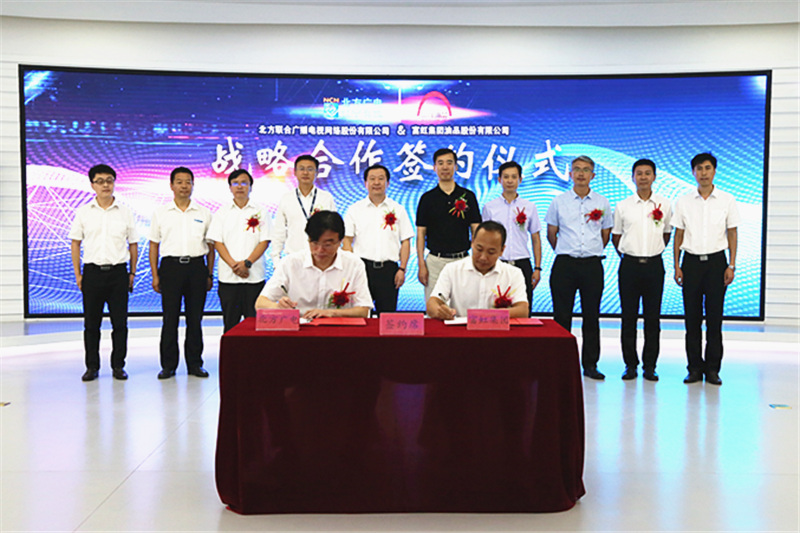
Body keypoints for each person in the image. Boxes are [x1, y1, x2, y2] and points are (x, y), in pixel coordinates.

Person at [673, 152, 740, 386]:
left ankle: (712, 369)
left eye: (708, 168)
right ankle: (694, 368)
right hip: (690, 263)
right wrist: (677, 265)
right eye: (699, 168)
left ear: (714, 171)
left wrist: (731, 264)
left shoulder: (727, 200)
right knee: (691, 320)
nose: (703, 173)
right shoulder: (683, 201)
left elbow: (732, 233)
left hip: (716, 264)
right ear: (693, 172)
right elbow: (678, 234)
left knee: (714, 319)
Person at [545, 155, 613, 380]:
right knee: (561, 316)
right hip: (565, 264)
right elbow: (552, 234)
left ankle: (590, 364)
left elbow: (605, 234)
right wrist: (567, 250)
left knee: (591, 316)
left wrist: (590, 250)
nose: (581, 173)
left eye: (585, 170)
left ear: (593, 175)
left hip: (592, 265)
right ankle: (560, 364)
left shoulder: (602, 202)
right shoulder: (559, 201)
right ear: (570, 174)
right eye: (576, 169)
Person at [69, 164, 138, 382]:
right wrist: (78, 275)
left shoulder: (125, 212)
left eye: (109, 180)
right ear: (92, 185)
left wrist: (132, 273)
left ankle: (118, 366)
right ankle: (92, 367)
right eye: (100, 181)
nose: (105, 185)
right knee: (91, 325)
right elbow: (75, 243)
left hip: (118, 274)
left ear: (114, 183)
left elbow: (133, 244)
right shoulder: (83, 212)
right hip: (92, 273)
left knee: (120, 324)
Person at [149, 167, 214, 379]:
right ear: (171, 185)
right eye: (179, 182)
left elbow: (211, 247)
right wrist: (155, 275)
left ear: (193, 185)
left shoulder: (204, 213)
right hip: (171, 268)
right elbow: (154, 245)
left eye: (188, 182)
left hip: (197, 268)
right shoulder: (161, 213)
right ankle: (168, 365)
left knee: (195, 319)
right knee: (170, 319)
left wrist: (209, 274)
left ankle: (195, 364)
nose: (184, 186)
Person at [611, 159, 672, 382]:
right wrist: (630, 254)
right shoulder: (623, 205)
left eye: (647, 173)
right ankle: (630, 365)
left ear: (654, 176)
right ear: (633, 177)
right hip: (629, 266)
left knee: (652, 318)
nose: (643, 177)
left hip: (654, 266)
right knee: (628, 318)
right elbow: (616, 236)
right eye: (639, 173)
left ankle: (650, 366)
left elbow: (667, 234)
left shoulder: (665, 204)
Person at [257, 210, 372, 318]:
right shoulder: (290, 263)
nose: (320, 250)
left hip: (337, 327)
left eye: (327, 245)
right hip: (301, 326)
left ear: (340, 242)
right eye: (315, 243)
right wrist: (278, 307)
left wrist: (331, 313)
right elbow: (260, 303)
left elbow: (363, 311)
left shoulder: (354, 264)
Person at [343, 164, 413, 314]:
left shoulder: (398, 209)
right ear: (365, 183)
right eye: (372, 179)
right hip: (362, 269)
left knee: (387, 316)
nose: (376, 183)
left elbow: (406, 241)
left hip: (389, 271)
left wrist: (402, 269)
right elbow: (347, 240)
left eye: (381, 179)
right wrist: (351, 267)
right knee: (360, 313)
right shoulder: (355, 209)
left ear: (388, 183)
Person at [207, 169, 271, 332]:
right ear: (230, 187)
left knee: (256, 325)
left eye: (244, 183)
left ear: (251, 186)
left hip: (254, 277)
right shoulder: (221, 212)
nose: (240, 186)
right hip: (229, 278)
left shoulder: (261, 211)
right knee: (230, 325)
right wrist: (234, 265)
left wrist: (247, 263)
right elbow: (217, 242)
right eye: (235, 183)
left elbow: (264, 241)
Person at [416, 147, 481, 303]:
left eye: (449, 163)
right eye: (440, 163)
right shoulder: (427, 198)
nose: (445, 167)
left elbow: (476, 230)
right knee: (435, 307)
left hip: (462, 260)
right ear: (434, 167)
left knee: (463, 306)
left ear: (456, 167)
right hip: (435, 262)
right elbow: (420, 234)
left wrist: (476, 258)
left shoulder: (468, 196)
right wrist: (421, 264)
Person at [427, 221, 528, 319]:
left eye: (491, 252)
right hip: (461, 329)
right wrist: (440, 311)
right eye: (479, 249)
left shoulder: (513, 274)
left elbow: (523, 310)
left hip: (496, 329)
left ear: (502, 250)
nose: (483, 257)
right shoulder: (452, 269)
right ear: (472, 242)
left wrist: (490, 315)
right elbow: (432, 303)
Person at [481, 160, 543, 316]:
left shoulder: (529, 207)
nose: (510, 181)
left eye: (514, 177)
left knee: (523, 309)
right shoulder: (490, 207)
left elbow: (536, 238)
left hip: (522, 263)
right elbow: (483, 240)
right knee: (493, 308)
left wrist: (537, 268)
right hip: (497, 264)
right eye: (506, 177)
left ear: (520, 180)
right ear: (499, 179)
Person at [270, 155, 336, 264]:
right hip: (293, 258)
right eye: (301, 169)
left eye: (310, 169)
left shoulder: (326, 198)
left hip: (321, 257)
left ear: (316, 173)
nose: (305, 173)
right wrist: (276, 260)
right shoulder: (286, 198)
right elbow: (279, 231)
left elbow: (333, 230)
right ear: (295, 172)